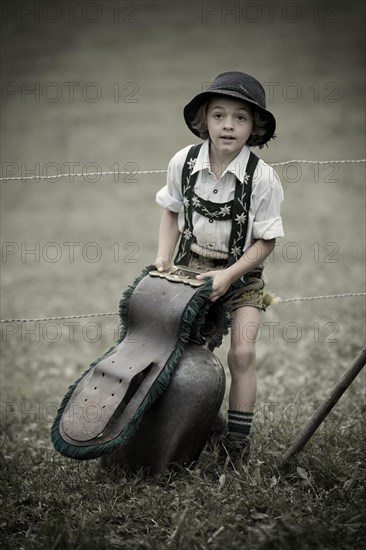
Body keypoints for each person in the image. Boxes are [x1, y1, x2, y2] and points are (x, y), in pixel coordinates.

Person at [154, 71, 284, 466]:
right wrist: (163, 259)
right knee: (182, 352)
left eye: (241, 118)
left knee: (242, 353)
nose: (228, 125)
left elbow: (267, 241)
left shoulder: (261, 178)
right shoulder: (184, 161)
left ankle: (237, 444)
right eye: (219, 115)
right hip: (191, 268)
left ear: (254, 126)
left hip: (242, 275)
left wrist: (228, 276)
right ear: (203, 119)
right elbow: (172, 213)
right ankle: (193, 427)